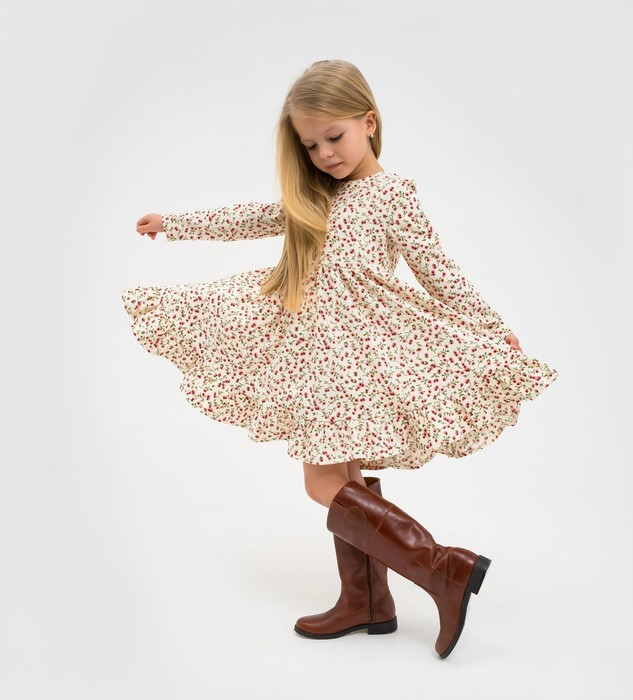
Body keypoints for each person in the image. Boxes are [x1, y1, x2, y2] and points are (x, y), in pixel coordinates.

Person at [121, 59, 558, 659]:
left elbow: (437, 270)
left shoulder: (391, 194)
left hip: (353, 354)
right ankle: (368, 602)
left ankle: (442, 568)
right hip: (315, 351)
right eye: (310, 145)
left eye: (335, 137)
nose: (324, 154)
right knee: (346, 479)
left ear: (368, 122)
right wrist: (174, 224)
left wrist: (491, 326)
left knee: (322, 482)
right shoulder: (318, 195)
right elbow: (251, 217)